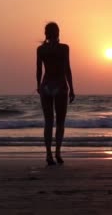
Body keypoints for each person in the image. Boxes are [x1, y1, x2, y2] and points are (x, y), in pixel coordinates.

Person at [36, 22, 75, 165]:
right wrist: (72, 88)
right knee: (60, 122)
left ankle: (48, 154)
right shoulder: (64, 48)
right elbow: (67, 70)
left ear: (45, 33)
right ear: (58, 33)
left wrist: (38, 86)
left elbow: (39, 70)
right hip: (60, 85)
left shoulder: (41, 49)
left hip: (46, 85)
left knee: (48, 122)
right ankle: (58, 153)